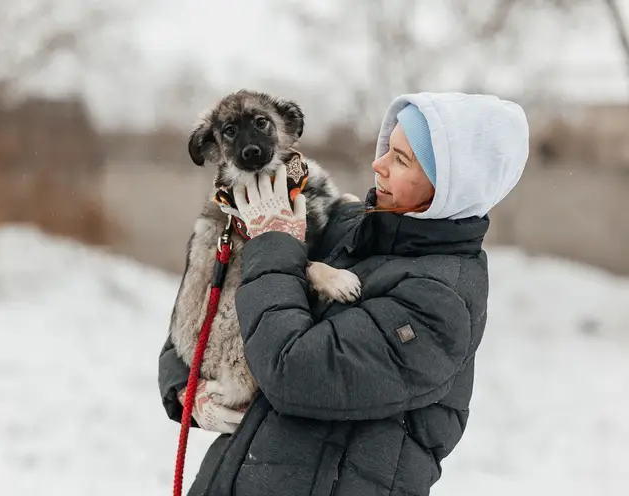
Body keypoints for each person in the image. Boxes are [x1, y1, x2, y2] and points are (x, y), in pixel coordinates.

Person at [158, 92, 529, 496]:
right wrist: (185, 388)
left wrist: (273, 242)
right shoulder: (349, 224)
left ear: (452, 185)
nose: (377, 164)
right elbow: (209, 303)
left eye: (401, 159)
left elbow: (292, 372)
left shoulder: (440, 302)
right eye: (387, 148)